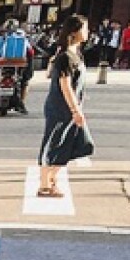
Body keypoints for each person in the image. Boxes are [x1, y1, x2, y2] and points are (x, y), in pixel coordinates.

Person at [37, 15, 90, 200]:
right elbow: (65, 85)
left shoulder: (75, 55)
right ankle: (45, 184)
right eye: (85, 28)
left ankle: (52, 179)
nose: (87, 32)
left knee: (73, 145)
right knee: (54, 144)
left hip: (71, 107)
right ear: (75, 32)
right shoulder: (66, 57)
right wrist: (76, 110)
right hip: (61, 108)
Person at [0, 18, 32, 115]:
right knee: (25, 83)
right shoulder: (23, 39)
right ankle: (22, 104)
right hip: (18, 67)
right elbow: (30, 53)